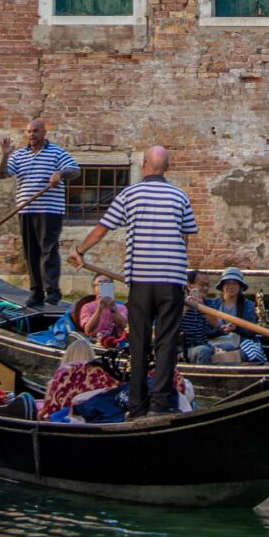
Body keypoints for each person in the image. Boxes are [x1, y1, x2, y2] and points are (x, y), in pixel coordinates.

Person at [71, 146, 199, 419]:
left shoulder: (129, 194)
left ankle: (138, 406)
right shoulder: (180, 196)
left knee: (139, 343)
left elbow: (102, 228)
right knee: (166, 343)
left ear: (144, 164)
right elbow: (185, 237)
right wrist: (178, 266)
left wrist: (79, 251)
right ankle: (160, 406)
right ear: (168, 166)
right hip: (171, 281)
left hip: (141, 280)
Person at [0, 119, 79, 309]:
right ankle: (36, 294)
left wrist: (60, 173)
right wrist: (4, 156)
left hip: (49, 210)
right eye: (29, 132)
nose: (31, 135)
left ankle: (53, 292)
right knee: (30, 253)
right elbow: (1, 175)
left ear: (44, 132)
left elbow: (75, 170)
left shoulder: (56, 152)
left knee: (48, 251)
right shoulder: (18, 155)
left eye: (35, 131)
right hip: (25, 209)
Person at [210, 269, 268, 362]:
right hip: (217, 342)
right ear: (222, 286)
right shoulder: (212, 304)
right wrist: (220, 330)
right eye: (228, 283)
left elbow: (252, 331)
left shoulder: (249, 305)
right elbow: (207, 332)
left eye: (234, 283)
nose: (231, 286)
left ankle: (228, 358)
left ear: (240, 286)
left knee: (253, 351)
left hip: (241, 343)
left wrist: (236, 329)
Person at [73, 276, 128, 348]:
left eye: (106, 283)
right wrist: (99, 310)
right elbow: (88, 330)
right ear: (94, 289)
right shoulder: (87, 307)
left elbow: (125, 327)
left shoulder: (121, 307)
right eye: (100, 283)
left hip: (116, 343)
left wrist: (113, 309)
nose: (103, 286)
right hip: (94, 343)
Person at [180, 271, 219, 364]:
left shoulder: (208, 303)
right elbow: (169, 325)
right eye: (202, 285)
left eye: (207, 285)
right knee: (203, 351)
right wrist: (185, 309)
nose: (205, 288)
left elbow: (216, 324)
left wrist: (202, 308)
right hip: (182, 349)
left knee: (229, 348)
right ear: (190, 286)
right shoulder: (179, 302)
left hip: (203, 344)